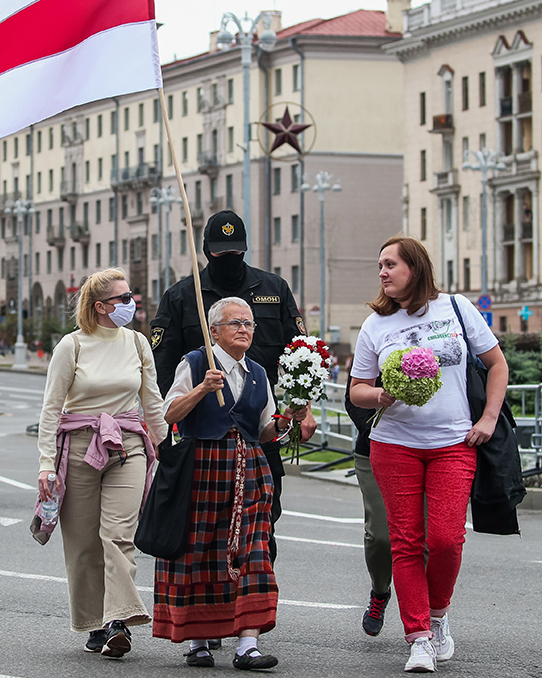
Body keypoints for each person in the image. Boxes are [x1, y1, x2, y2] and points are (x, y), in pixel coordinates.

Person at [349, 236, 509, 673]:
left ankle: (438, 616)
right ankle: (419, 636)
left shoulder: (456, 308)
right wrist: (380, 393)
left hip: (454, 444)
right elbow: (357, 390)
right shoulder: (375, 325)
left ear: (415, 268)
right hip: (394, 444)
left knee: (445, 540)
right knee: (405, 543)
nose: (382, 272)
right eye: (379, 265)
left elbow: (497, 364)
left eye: (390, 264)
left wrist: (489, 420)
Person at [150, 210, 317, 565]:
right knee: (203, 530)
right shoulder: (183, 295)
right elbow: (163, 370)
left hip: (260, 431)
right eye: (222, 252)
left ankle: (254, 605)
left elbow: (299, 354)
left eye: (236, 251)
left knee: (261, 524)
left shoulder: (274, 288)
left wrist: (303, 408)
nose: (230, 259)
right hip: (205, 439)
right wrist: (171, 424)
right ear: (208, 250)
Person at [154, 297, 305, 670]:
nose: (244, 329)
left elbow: (264, 429)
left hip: (250, 473)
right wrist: (202, 389)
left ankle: (247, 644)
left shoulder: (257, 372)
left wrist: (287, 420)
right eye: (236, 322)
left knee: (253, 552)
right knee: (199, 553)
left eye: (249, 324)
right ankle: (199, 641)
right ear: (214, 331)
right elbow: (169, 414)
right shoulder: (194, 364)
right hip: (202, 469)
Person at [36, 268, 168, 659]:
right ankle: (93, 621)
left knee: (118, 534)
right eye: (124, 299)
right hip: (78, 446)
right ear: (100, 307)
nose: (132, 303)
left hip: (127, 445)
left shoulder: (138, 343)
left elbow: (152, 401)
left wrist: (166, 446)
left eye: (132, 296)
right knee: (83, 544)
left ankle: (119, 620)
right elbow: (51, 409)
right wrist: (46, 464)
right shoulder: (71, 346)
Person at [343, 359, 392, 638]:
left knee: (424, 539)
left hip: (424, 449)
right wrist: (376, 430)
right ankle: (380, 592)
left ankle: (426, 616)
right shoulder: (377, 333)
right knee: (380, 536)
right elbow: (354, 399)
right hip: (373, 449)